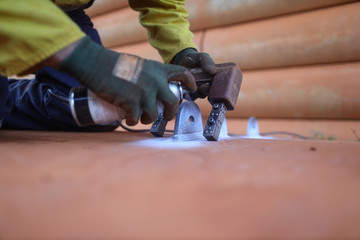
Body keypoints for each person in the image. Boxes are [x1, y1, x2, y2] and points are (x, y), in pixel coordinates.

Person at [0, 0, 217, 131]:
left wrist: (181, 49)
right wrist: (93, 61)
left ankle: (8, 99)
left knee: (91, 111)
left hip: (63, 12)